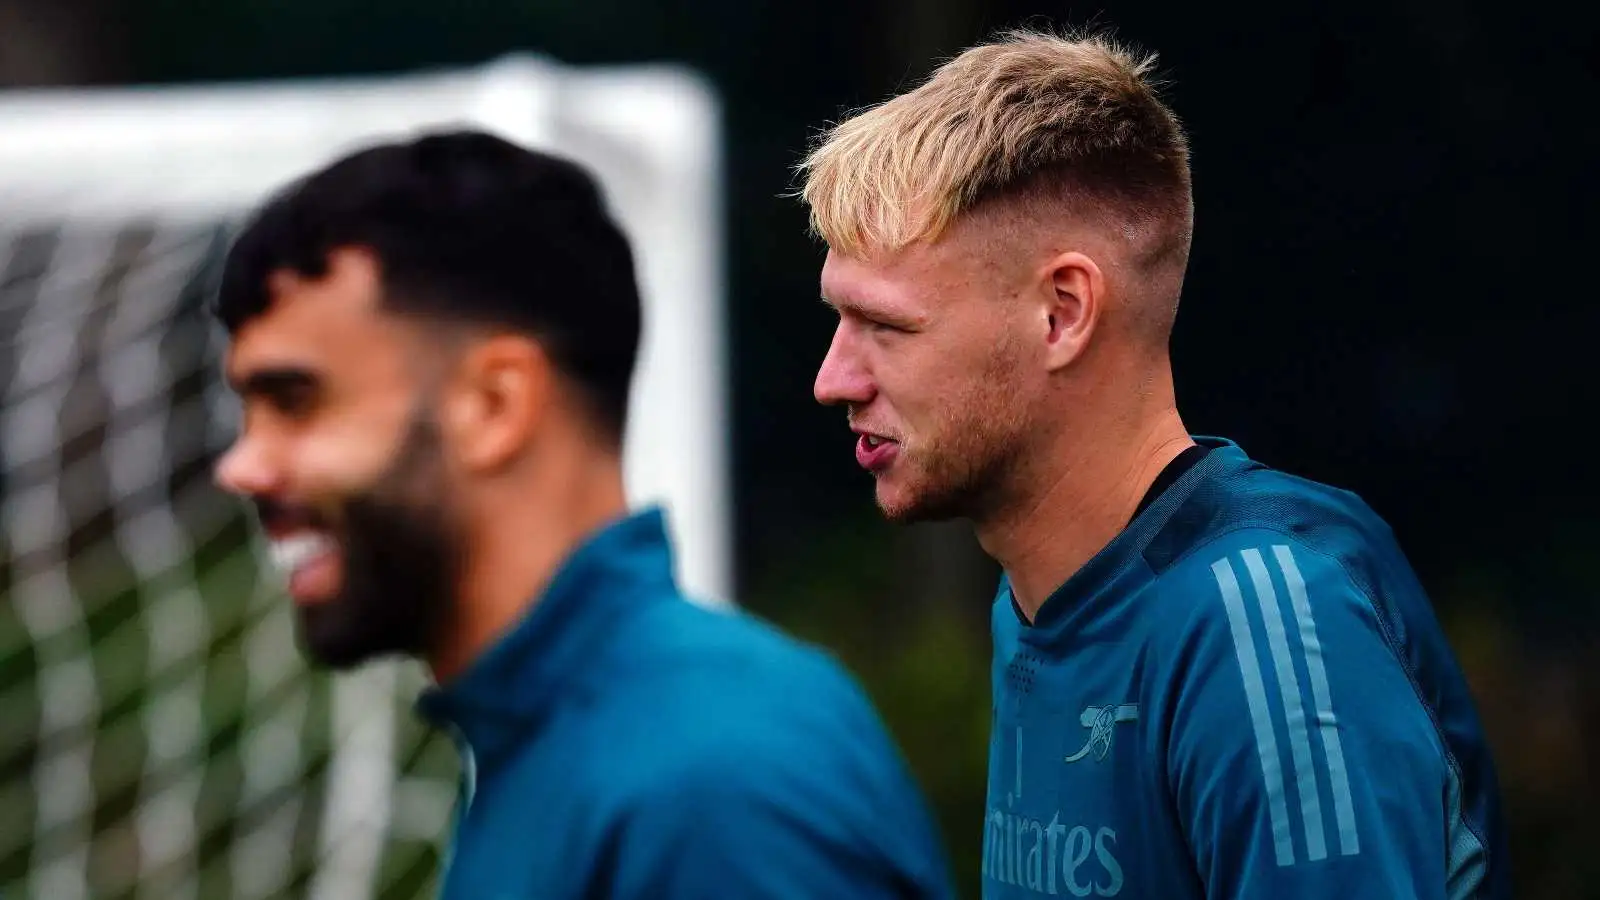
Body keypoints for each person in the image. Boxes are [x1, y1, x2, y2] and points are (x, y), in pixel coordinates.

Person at [799, 27, 1509, 899]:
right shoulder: (1037, 599)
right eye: (840, 321)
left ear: (1062, 313)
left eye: (889, 326)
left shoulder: (1265, 619)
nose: (834, 379)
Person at [210, 129, 955, 900]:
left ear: (495, 404)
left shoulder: (714, 781)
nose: (242, 466)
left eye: (295, 401)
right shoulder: (551, 741)